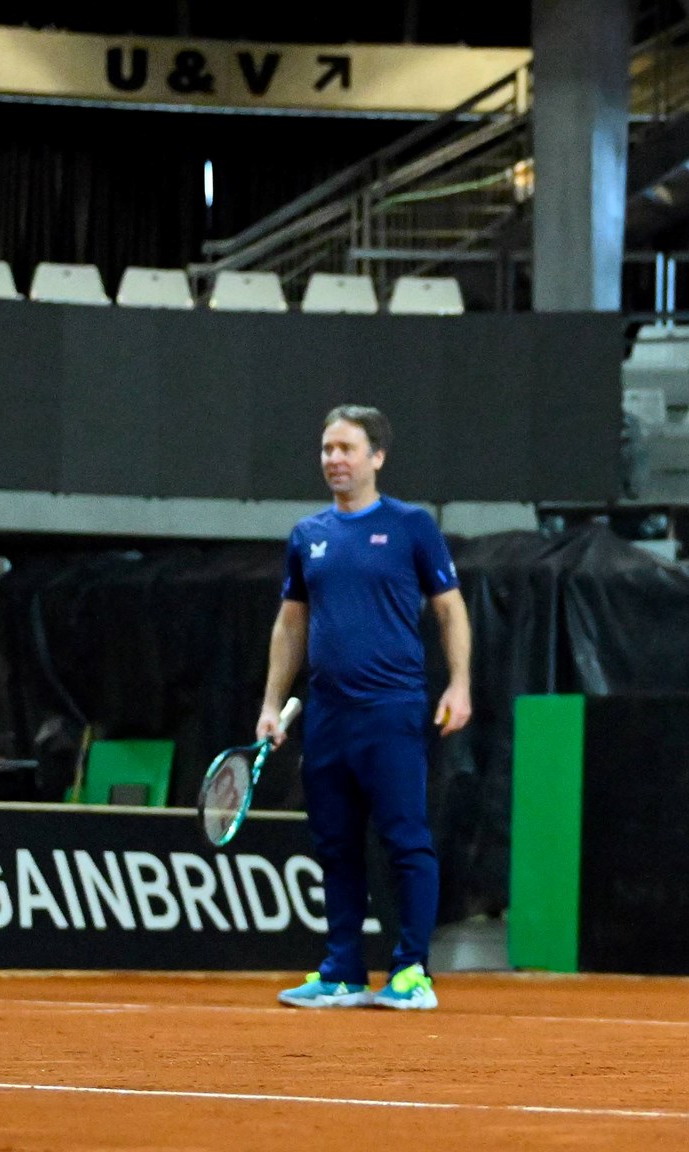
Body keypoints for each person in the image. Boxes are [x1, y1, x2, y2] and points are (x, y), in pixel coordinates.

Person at [261, 405, 472, 1011]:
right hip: (326, 716)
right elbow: (290, 622)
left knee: (406, 840)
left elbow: (450, 609)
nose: (334, 459)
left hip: (392, 711)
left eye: (347, 449)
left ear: (376, 457)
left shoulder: (412, 526)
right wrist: (272, 703)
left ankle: (411, 972)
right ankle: (343, 971)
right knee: (335, 844)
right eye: (327, 448)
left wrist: (458, 685)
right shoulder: (307, 535)